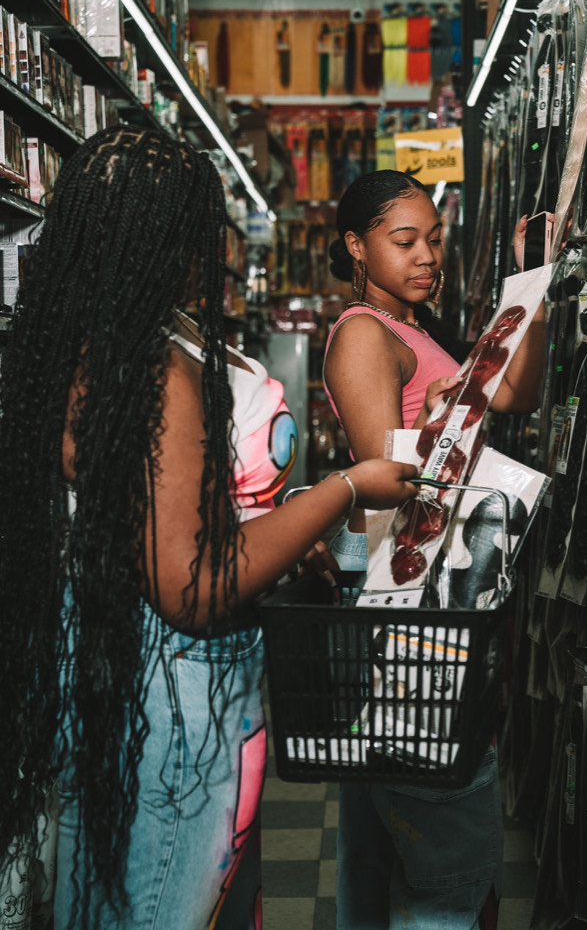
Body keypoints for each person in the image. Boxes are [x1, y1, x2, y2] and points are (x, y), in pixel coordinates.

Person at [0, 126, 420, 930]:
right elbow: (191, 584)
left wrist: (287, 528)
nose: (211, 250)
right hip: (176, 701)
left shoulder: (109, 342)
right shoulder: (157, 370)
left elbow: (170, 514)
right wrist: (340, 492)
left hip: (138, 680)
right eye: (196, 229)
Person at [323, 169, 547, 930]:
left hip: (425, 590)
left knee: (376, 830)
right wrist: (443, 428)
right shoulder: (363, 332)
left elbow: (518, 391)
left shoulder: (421, 328)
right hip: (408, 598)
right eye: (404, 240)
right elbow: (382, 483)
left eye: (435, 239)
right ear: (356, 246)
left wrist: (530, 283)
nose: (428, 255)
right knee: (437, 836)